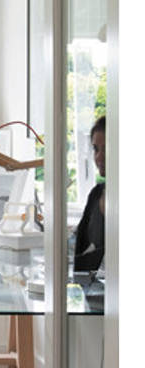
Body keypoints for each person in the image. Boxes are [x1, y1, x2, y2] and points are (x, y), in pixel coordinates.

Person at [74, 115, 105, 272]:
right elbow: (80, 251)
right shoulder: (96, 194)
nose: (99, 156)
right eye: (96, 149)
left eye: (107, 149)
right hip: (94, 292)